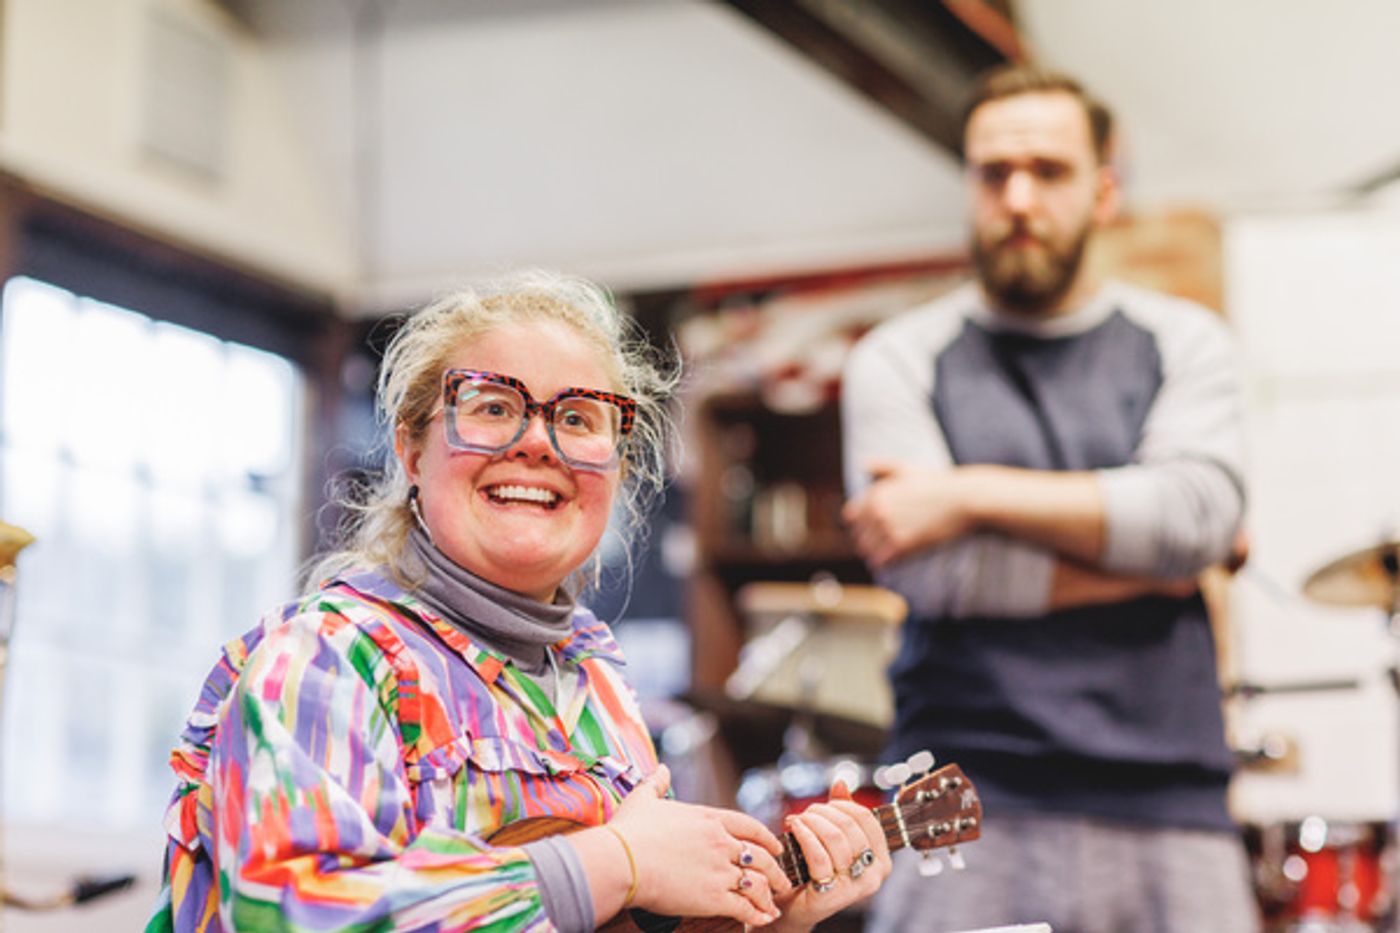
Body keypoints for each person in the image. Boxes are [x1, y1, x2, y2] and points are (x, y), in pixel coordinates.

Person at [148, 270, 891, 932]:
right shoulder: (325, 659)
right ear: (411, 450)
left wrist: (780, 920)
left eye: (577, 417)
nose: (539, 443)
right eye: (494, 406)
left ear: (617, 470)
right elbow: (294, 913)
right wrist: (614, 861)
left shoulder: (598, 684)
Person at [840, 66, 1254, 932]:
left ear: (1104, 193)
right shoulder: (899, 356)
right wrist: (1156, 570)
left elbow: (1194, 514)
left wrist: (970, 492)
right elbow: (936, 573)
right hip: (952, 798)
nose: (1019, 197)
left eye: (1050, 171)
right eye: (995, 173)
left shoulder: (1185, 342)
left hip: (1169, 796)